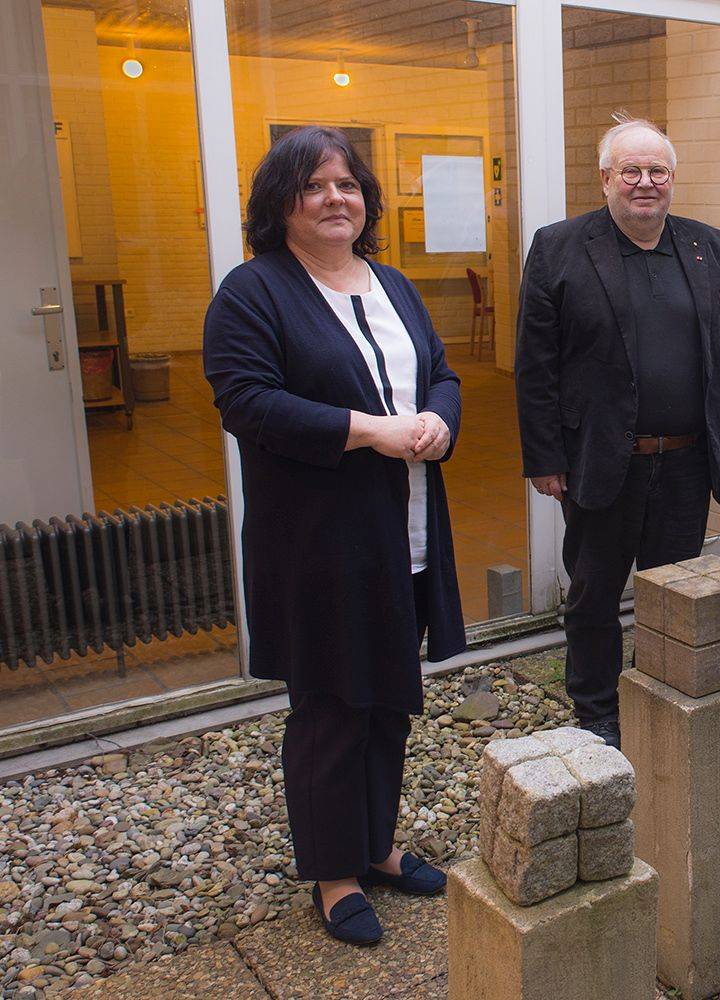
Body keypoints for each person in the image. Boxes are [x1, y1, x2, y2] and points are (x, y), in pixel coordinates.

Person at [203, 125, 465, 946]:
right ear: (279, 204)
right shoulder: (253, 292)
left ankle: (377, 846)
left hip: (403, 530)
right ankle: (334, 873)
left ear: (366, 200)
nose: (333, 198)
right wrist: (371, 430)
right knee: (331, 708)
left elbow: (442, 373)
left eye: (347, 184)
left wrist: (439, 421)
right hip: (317, 542)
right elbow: (247, 402)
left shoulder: (394, 285)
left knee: (388, 699)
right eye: (313, 185)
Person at [515, 115, 720, 750]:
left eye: (658, 171)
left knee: (672, 592)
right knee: (593, 595)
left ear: (672, 178)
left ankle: (660, 694)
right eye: (632, 171)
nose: (646, 183)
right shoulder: (559, 248)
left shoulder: (711, 246)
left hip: (685, 463)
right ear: (605, 178)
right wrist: (544, 456)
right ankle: (597, 710)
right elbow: (535, 364)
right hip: (598, 458)